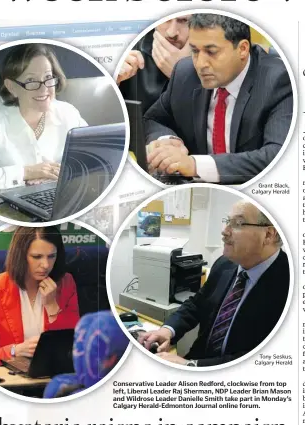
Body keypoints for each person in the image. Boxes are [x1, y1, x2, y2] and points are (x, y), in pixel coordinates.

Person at [145, 14, 293, 184]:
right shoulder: (185, 72)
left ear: (243, 49)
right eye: (194, 51)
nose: (200, 64)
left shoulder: (280, 80)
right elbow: (153, 119)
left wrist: (195, 165)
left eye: (211, 52)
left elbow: (278, 156)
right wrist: (168, 142)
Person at [139, 200, 289, 367]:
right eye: (227, 221)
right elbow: (197, 305)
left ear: (269, 234)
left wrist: (192, 366)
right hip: (196, 359)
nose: (224, 231)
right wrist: (167, 330)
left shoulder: (290, 284)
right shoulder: (225, 263)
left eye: (237, 223)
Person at [0, 43, 87, 195]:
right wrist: (26, 172)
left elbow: (96, 156)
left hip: (60, 197)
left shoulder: (68, 113)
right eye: (31, 80)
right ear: (11, 87)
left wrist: (60, 173)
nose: (44, 89)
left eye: (48, 77)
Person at [0, 226, 80, 364]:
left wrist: (52, 305)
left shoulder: (66, 283)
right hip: (12, 379)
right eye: (37, 257)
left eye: (51, 256)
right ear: (21, 256)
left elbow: (75, 346)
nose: (46, 265)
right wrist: (14, 351)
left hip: (55, 374)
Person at [117, 17, 191, 114]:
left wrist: (184, 76)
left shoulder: (210, 60)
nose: (171, 33)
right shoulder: (128, 51)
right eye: (166, 19)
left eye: (183, 21)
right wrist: (114, 82)